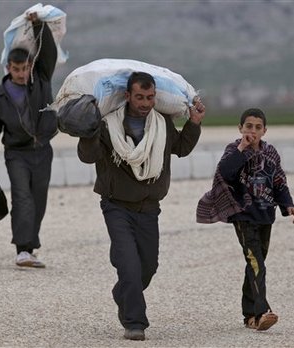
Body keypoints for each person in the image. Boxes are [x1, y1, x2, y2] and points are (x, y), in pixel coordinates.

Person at [77, 72, 205, 341]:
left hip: (149, 208)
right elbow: (87, 157)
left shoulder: (162, 124)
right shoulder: (106, 125)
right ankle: (135, 322)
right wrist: (87, 131)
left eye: (150, 97)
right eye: (140, 97)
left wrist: (193, 124)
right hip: (116, 206)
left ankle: (122, 292)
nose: (146, 103)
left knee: (148, 266)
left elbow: (180, 148)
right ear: (127, 96)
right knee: (129, 266)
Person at [196, 108, 294, 331]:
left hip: (265, 215)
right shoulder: (234, 150)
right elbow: (224, 172)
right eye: (248, 126)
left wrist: (288, 204)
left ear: (264, 130)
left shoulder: (270, 153)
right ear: (240, 128)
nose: (252, 131)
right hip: (243, 215)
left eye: (257, 127)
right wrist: (242, 148)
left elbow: (279, 182)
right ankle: (262, 311)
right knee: (256, 263)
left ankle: (249, 316)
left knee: (255, 263)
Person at [0, 12, 58, 268]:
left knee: (39, 198)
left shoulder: (41, 80)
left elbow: (49, 53)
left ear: (30, 66)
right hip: (17, 153)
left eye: (25, 69)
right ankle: (22, 249)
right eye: (16, 69)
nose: (21, 74)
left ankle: (30, 247)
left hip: (43, 149)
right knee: (22, 197)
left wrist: (37, 25)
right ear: (8, 68)